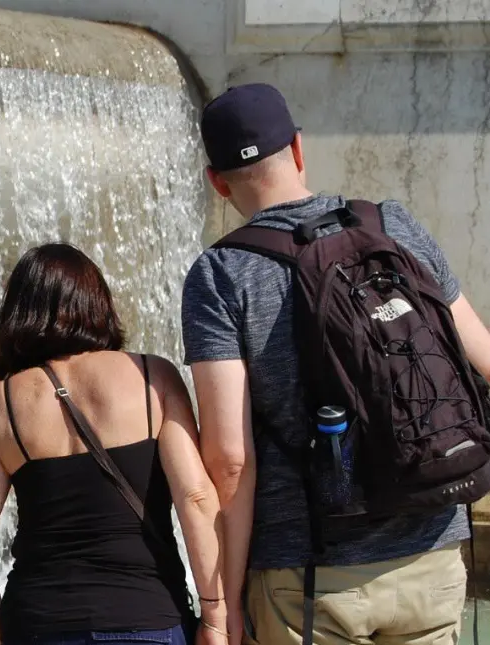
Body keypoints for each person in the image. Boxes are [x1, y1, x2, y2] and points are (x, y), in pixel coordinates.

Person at [183, 82, 490, 645]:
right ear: (298, 150)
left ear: (217, 182)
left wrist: (221, 607)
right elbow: (485, 361)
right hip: (433, 555)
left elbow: (229, 460)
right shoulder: (391, 224)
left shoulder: (221, 273)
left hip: (309, 576)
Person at [0, 242, 227, 645]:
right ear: (97, 303)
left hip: (37, 622)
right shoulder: (154, 377)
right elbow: (197, 499)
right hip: (148, 616)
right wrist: (215, 614)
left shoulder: (2, 402)